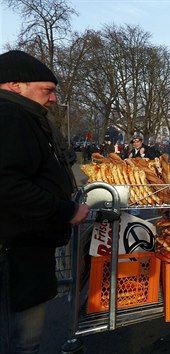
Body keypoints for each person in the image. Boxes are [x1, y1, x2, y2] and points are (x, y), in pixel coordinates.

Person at [0, 50, 90, 353]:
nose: (53, 99)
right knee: (22, 343)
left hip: (22, 251)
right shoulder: (10, 116)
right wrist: (67, 210)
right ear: (15, 85)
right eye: (47, 90)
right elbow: (7, 186)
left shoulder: (20, 115)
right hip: (16, 256)